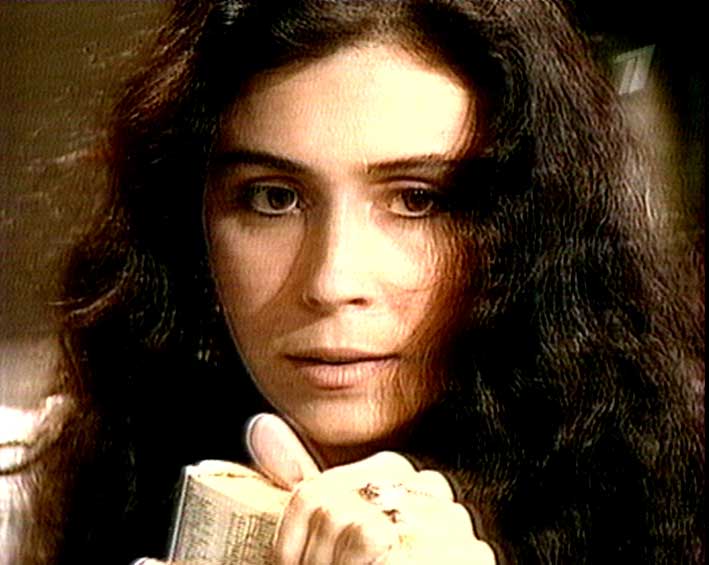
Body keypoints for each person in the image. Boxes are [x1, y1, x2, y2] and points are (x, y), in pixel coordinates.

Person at [17, 0, 704, 563]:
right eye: (274, 198)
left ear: (530, 225)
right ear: (186, 219)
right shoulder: (30, 502)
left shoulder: (680, 500)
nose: (331, 280)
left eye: (417, 200)